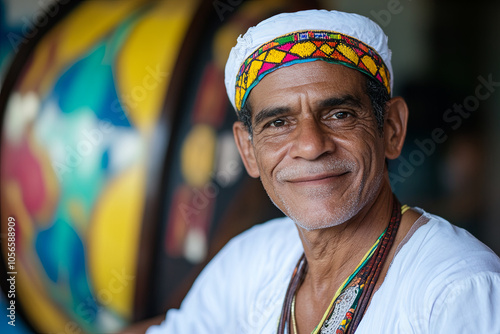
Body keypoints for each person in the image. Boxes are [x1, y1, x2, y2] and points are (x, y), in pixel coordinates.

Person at [145, 9, 500, 333]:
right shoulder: (252, 259)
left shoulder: (458, 290)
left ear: (391, 128)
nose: (312, 146)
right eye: (279, 123)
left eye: (339, 115)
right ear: (248, 151)